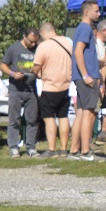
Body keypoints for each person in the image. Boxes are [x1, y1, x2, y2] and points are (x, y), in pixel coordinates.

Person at [33, 21, 75, 156]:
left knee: (49, 117)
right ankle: (63, 148)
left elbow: (36, 68)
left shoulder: (44, 46)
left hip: (50, 87)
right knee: (63, 116)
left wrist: (36, 72)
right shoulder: (68, 42)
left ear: (43, 32)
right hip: (65, 86)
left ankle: (51, 148)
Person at [0, 27, 41, 156]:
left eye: (35, 42)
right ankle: (13, 146)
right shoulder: (14, 48)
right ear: (24, 36)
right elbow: (3, 65)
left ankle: (31, 147)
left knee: (32, 120)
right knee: (14, 120)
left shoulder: (38, 49)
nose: (32, 44)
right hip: (16, 89)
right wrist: (12, 74)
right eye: (30, 42)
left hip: (31, 89)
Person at [69, 0, 101, 161]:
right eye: (96, 11)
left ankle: (74, 151)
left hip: (81, 77)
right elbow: (78, 52)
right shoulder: (86, 28)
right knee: (88, 114)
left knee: (81, 115)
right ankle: (85, 151)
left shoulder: (81, 28)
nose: (99, 14)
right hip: (87, 77)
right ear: (87, 12)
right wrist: (86, 75)